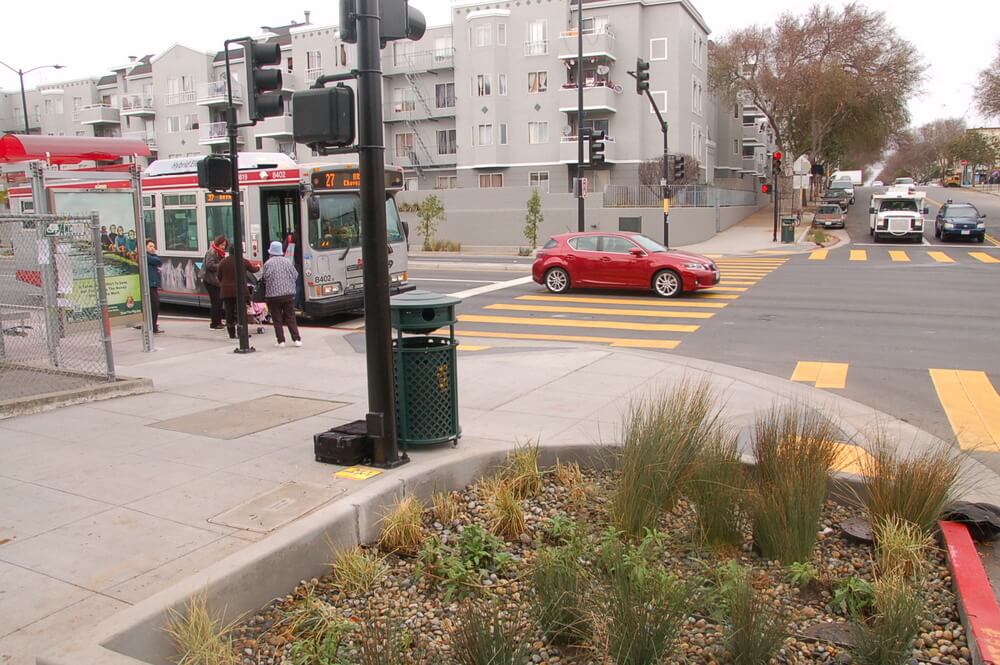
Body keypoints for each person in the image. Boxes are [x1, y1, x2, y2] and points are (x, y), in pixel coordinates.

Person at [260, 240, 302, 347]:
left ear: (271, 252)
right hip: (288, 295)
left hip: (273, 296)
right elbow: (295, 275)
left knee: (277, 319)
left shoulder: (268, 264)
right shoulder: (287, 262)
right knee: (290, 317)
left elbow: (264, 278)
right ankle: (296, 339)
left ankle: (281, 341)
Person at [219, 248, 259, 340]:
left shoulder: (223, 262)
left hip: (226, 291)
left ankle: (231, 333)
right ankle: (242, 332)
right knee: (241, 312)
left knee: (229, 312)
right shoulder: (243, 261)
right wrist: (258, 267)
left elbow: (219, 275)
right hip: (240, 291)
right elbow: (253, 270)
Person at [203, 236, 227, 330]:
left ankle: (218, 321)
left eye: (224, 245)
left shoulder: (218, 252)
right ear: (217, 244)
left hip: (215, 280)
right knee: (216, 301)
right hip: (211, 280)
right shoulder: (212, 251)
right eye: (222, 245)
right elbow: (209, 265)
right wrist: (221, 265)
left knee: (218, 301)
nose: (223, 247)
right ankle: (214, 323)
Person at [146, 240, 162, 334]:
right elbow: (157, 261)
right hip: (149, 284)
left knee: (154, 305)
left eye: (153, 246)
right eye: (150, 246)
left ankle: (153, 325)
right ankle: (152, 326)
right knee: (154, 304)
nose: (153, 248)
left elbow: (158, 261)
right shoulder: (147, 257)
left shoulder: (152, 256)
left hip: (153, 284)